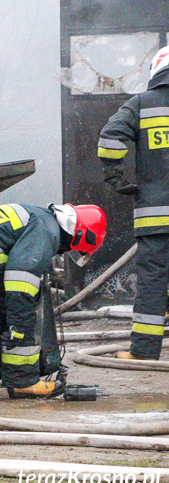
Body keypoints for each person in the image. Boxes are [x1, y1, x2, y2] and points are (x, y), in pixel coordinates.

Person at [0, 203, 106, 401]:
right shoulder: (47, 228)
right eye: (74, 248)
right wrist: (19, 323)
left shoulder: (37, 214)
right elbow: (21, 277)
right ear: (78, 234)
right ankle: (23, 382)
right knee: (24, 307)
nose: (64, 251)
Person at [98, 45, 169, 361]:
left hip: (154, 220)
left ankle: (144, 352)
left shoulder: (141, 104)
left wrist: (116, 178)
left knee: (153, 284)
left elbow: (109, 138)